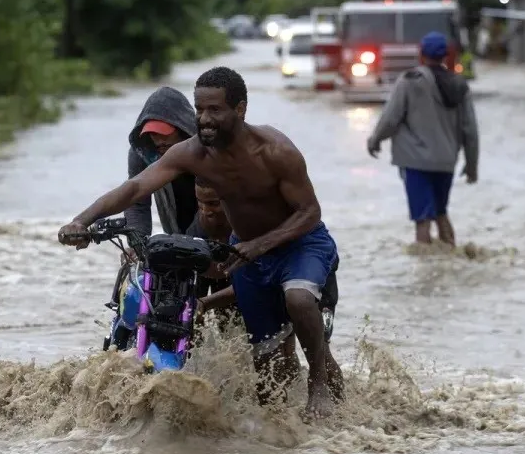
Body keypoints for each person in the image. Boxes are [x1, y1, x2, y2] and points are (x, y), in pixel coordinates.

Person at [58, 66, 343, 418]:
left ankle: (318, 386)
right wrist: (81, 220)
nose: (204, 119)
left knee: (298, 299)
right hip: (246, 254)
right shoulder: (193, 153)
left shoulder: (274, 150)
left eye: (215, 110)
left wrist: (260, 245)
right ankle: (284, 433)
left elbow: (310, 212)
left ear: (240, 109)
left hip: (299, 243)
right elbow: (134, 188)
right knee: (267, 364)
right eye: (199, 109)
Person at [188, 177, 340, 342]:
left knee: (317, 339)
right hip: (256, 272)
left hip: (308, 272)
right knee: (257, 339)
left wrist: (206, 302)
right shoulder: (198, 231)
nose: (206, 211)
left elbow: (265, 281)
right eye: (200, 204)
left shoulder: (264, 221)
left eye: (213, 203)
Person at [366, 31, 480, 245]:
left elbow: (391, 118)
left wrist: (375, 140)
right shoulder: (459, 85)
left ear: (421, 54)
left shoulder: (410, 81)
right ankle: (451, 257)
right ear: (446, 55)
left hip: (416, 162)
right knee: (441, 213)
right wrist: (472, 165)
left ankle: (426, 263)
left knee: (423, 219)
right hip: (446, 161)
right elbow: (470, 130)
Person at [124, 86, 199, 236]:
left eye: (164, 133)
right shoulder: (143, 153)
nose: (159, 141)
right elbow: (137, 202)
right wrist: (137, 239)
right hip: (174, 228)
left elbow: (212, 208)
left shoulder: (206, 150)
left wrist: (188, 240)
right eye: (153, 134)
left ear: (182, 129)